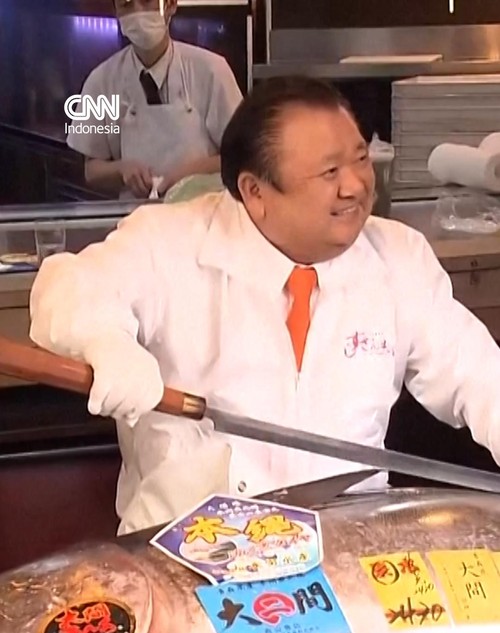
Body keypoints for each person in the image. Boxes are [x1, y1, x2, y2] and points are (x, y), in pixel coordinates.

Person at [30, 76, 500, 535]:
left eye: (361, 159)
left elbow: (478, 375)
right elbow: (68, 286)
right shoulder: (167, 241)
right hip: (188, 549)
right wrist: (104, 341)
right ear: (255, 192)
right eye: (330, 172)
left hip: (344, 543)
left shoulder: (398, 256)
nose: (356, 186)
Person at [67, 0, 243, 199]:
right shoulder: (100, 81)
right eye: (126, 4)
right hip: (136, 214)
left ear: (170, 5)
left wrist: (189, 174)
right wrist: (122, 169)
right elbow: (91, 171)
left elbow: (244, 156)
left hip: (203, 211)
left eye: (147, 1)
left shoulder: (212, 70)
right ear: (116, 12)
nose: (137, 12)